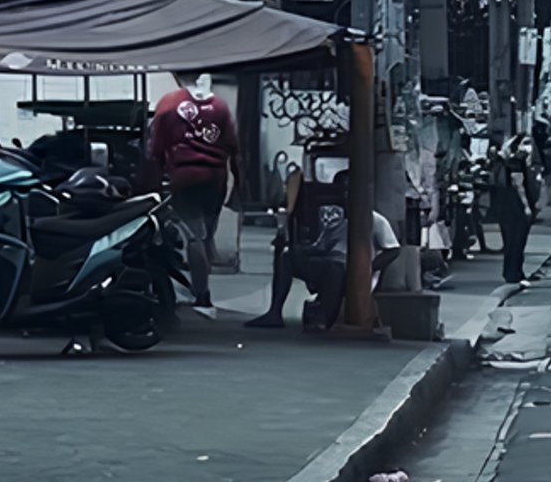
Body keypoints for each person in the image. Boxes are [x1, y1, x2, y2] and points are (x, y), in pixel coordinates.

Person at [244, 170, 400, 331]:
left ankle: (326, 318)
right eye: (344, 192)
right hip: (327, 261)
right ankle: (274, 313)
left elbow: (393, 250)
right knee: (288, 258)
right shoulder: (336, 220)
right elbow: (321, 247)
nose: (346, 196)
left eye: (350, 192)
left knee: (335, 269)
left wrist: (367, 269)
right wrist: (300, 251)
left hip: (347, 268)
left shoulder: (376, 220)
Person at [147, 74, 240, 319]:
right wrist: (240, 186)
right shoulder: (219, 106)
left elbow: (155, 150)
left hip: (185, 178)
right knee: (206, 236)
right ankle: (202, 285)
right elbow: (234, 148)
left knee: (193, 237)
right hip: (214, 180)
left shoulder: (169, 103)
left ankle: (202, 295)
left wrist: (151, 188)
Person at [492, 134, 535, 285]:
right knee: (516, 242)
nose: (528, 147)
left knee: (512, 242)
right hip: (515, 208)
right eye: (525, 143)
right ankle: (513, 273)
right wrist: (526, 207)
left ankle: (515, 271)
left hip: (505, 207)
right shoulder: (515, 163)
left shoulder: (508, 162)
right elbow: (519, 186)